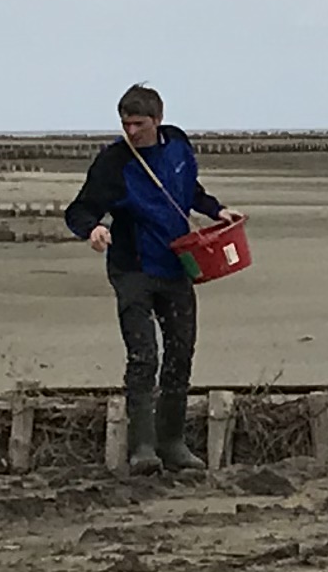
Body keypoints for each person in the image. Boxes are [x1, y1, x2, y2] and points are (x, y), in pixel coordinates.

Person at [61, 84, 231, 477]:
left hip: (177, 267)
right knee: (144, 358)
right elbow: (80, 209)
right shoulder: (114, 161)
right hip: (132, 269)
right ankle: (142, 449)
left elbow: (189, 191)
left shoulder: (177, 147)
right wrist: (93, 230)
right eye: (125, 123)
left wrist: (216, 210)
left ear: (157, 119)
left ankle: (173, 443)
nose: (131, 131)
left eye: (138, 123)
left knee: (179, 355)